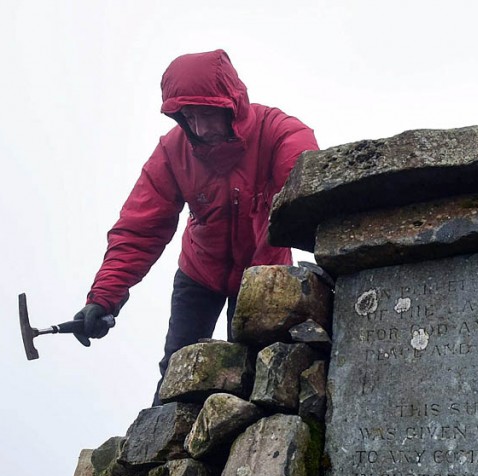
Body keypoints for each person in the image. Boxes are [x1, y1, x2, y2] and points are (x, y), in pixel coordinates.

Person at [73, 49, 318, 402]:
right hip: (198, 275)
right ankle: (160, 452)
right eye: (189, 116)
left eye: (206, 114)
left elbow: (304, 191)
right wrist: (103, 299)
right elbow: (138, 229)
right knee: (176, 371)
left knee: (262, 375)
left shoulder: (279, 133)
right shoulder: (173, 153)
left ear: (230, 105)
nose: (200, 128)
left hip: (265, 277)